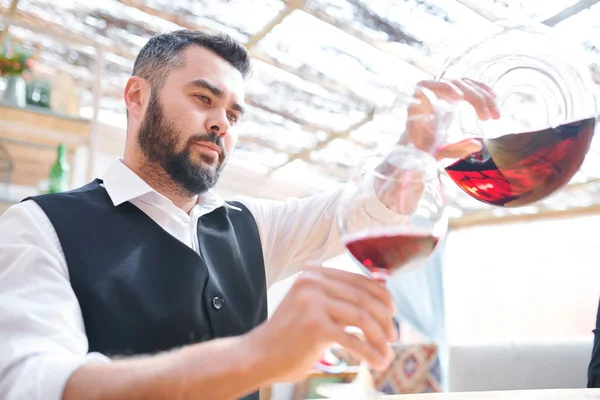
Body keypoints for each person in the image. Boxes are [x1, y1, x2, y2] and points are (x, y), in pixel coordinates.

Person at [0, 30, 499, 400]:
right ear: (136, 96)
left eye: (234, 114)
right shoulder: (39, 227)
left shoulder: (249, 226)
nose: (221, 122)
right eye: (203, 98)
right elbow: (33, 384)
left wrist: (413, 149)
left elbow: (359, 211)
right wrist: (258, 354)